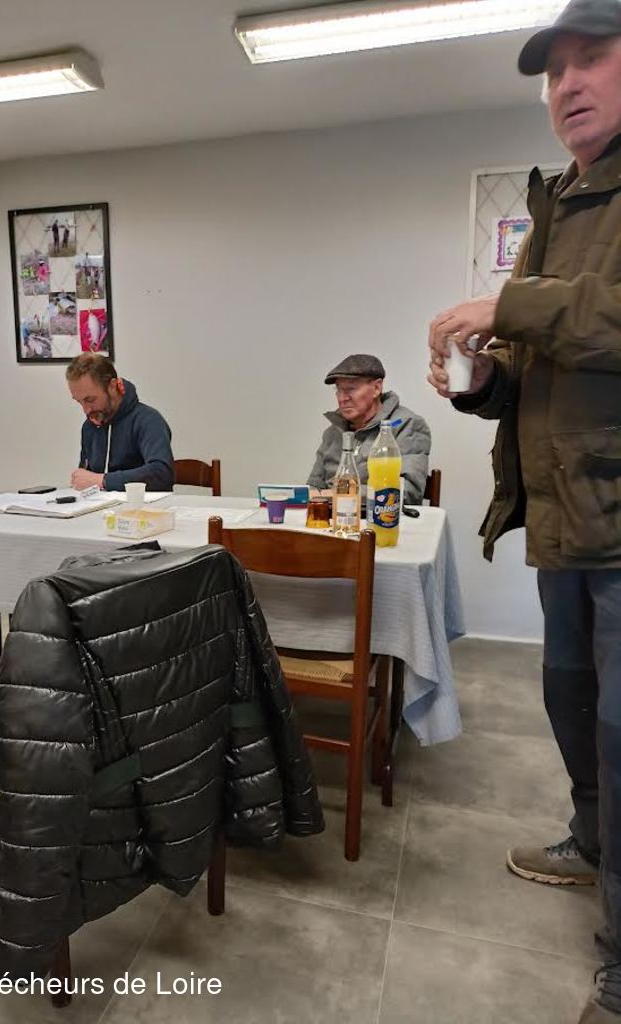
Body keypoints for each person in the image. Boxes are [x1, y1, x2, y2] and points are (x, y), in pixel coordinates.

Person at [427, 2, 621, 1018]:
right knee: (569, 699)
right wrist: (478, 377)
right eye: (554, 72)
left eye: (592, 59)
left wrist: (507, 307)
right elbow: (538, 362)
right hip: (562, 513)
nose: (568, 84)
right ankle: (592, 843)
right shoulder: (559, 204)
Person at [307, 353, 431, 504]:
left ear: (376, 388)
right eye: (338, 390)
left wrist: (340, 493)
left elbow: (408, 493)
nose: (342, 398)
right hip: (333, 516)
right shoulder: (333, 432)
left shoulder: (407, 425)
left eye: (350, 389)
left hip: (382, 517)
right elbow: (314, 487)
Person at [66, 353, 174, 492]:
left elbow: (162, 474)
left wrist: (103, 481)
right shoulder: (90, 427)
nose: (86, 410)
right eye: (79, 402)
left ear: (112, 386)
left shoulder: (148, 420)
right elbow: (87, 477)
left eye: (90, 400)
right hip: (100, 505)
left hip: (142, 504)